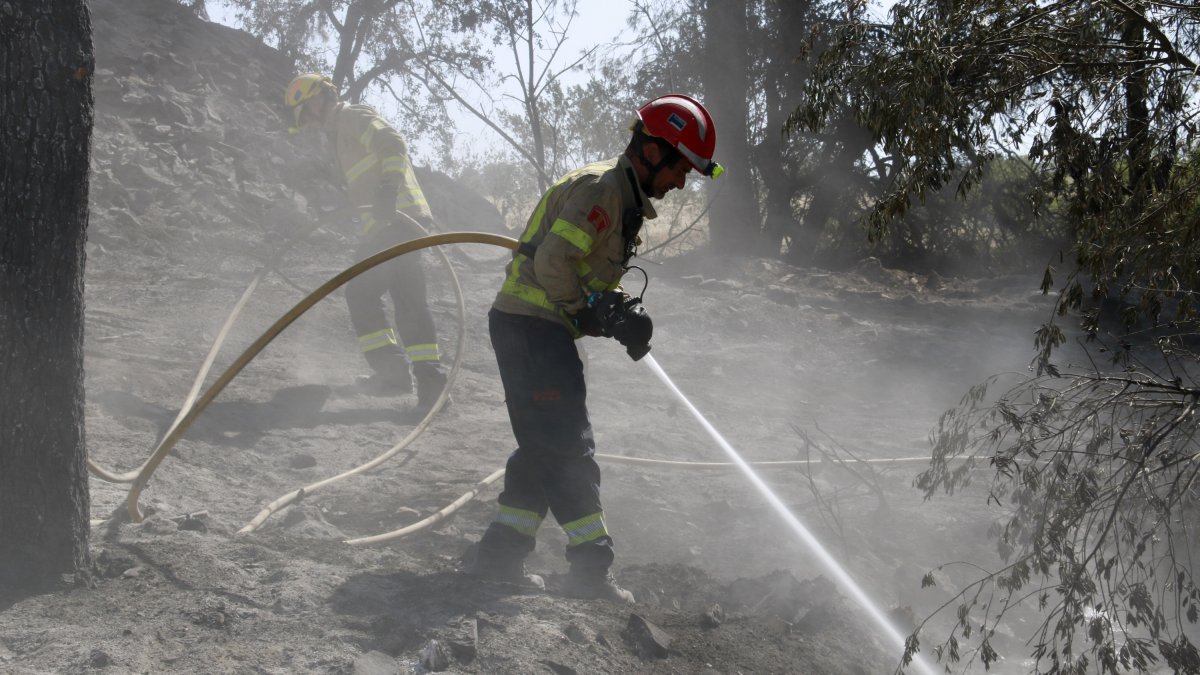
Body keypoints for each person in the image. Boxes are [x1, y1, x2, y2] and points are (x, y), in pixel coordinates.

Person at [465, 94, 722, 603]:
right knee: (567, 446)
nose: (679, 183)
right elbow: (553, 265)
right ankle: (589, 569)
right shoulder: (603, 190)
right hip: (532, 326)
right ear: (652, 152)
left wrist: (620, 309)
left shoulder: (620, 197)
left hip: (539, 328)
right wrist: (587, 309)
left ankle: (498, 555)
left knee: (544, 443)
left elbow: (583, 267)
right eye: (679, 169)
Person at [284, 73, 447, 409]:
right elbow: (364, 179)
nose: (309, 123)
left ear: (318, 99)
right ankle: (424, 381)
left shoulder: (351, 117)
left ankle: (398, 375)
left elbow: (393, 143)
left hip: (398, 221)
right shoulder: (340, 138)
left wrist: (389, 189)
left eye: (306, 112)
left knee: (363, 291)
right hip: (386, 226)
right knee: (405, 296)